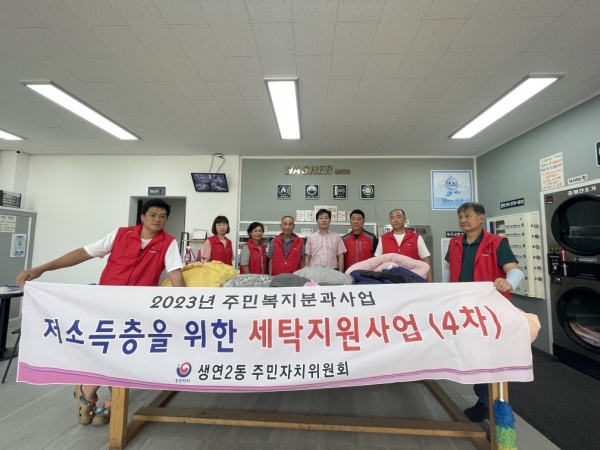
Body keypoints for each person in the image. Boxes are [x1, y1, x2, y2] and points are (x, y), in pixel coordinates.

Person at [15, 198, 185, 427]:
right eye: (153, 215)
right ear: (142, 217)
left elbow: (175, 274)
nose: (157, 219)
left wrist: (186, 305)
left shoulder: (168, 243)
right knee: (106, 349)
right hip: (104, 305)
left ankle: (91, 393)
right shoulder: (121, 235)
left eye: (162, 216)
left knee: (125, 353)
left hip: (136, 309)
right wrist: (41, 269)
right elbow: (83, 253)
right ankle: (101, 397)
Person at [443, 202, 523, 422]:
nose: (463, 220)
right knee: (472, 355)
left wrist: (509, 282)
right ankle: (483, 400)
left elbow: (515, 271)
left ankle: (491, 405)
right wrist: (442, 293)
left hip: (490, 312)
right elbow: (448, 271)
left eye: (467, 216)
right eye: (460, 216)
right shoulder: (454, 243)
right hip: (462, 309)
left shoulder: (497, 243)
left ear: (481, 218)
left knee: (489, 357)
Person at [375, 208, 433, 282]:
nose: (395, 220)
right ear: (390, 220)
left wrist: (430, 282)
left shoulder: (416, 237)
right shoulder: (383, 239)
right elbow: (377, 261)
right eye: (392, 218)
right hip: (390, 281)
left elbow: (426, 260)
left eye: (398, 217)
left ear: (405, 219)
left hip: (413, 280)